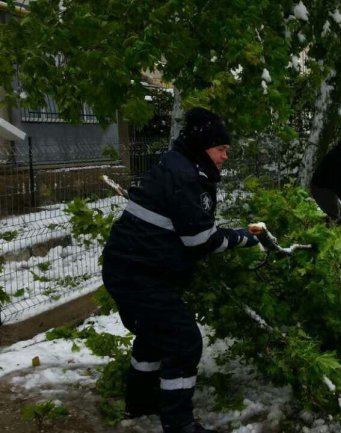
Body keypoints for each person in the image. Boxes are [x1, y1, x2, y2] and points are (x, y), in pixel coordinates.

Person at [102, 108, 261, 433]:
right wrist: (242, 238)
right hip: (138, 274)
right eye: (222, 150)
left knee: (153, 334)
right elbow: (200, 239)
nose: (225, 157)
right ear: (204, 147)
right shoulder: (188, 177)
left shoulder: (180, 166)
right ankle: (179, 423)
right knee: (184, 340)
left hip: (131, 267)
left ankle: (141, 403)